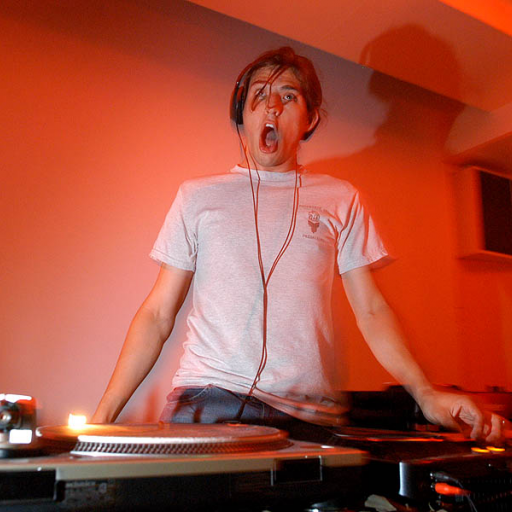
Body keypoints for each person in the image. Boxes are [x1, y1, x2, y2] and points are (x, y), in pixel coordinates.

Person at [92, 47, 504, 444]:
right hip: (211, 400)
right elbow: (158, 314)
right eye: (259, 95)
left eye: (288, 96)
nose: (271, 106)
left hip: (310, 418)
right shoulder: (196, 196)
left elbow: (372, 310)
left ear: (310, 120)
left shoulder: (341, 199)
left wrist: (425, 394)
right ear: (243, 115)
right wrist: (102, 418)